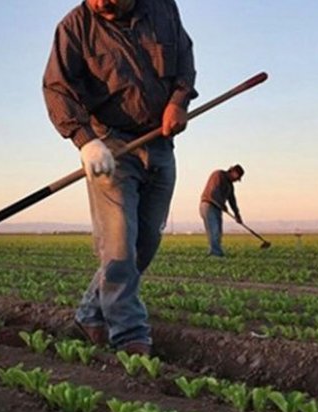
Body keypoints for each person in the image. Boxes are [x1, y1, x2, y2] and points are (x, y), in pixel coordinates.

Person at [43, 0, 196, 355]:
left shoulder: (163, 9)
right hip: (109, 145)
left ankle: (88, 316)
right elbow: (56, 88)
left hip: (158, 142)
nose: (100, 3)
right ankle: (129, 334)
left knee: (144, 245)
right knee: (119, 245)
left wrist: (179, 100)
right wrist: (86, 142)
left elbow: (184, 60)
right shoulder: (75, 27)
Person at [199, 164, 244, 257]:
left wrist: (237, 214)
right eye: (237, 177)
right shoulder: (218, 175)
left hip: (217, 207)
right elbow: (214, 192)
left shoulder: (230, 186)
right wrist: (222, 204)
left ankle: (214, 251)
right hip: (208, 205)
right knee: (214, 230)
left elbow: (232, 200)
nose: (236, 180)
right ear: (233, 172)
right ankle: (216, 253)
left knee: (218, 231)